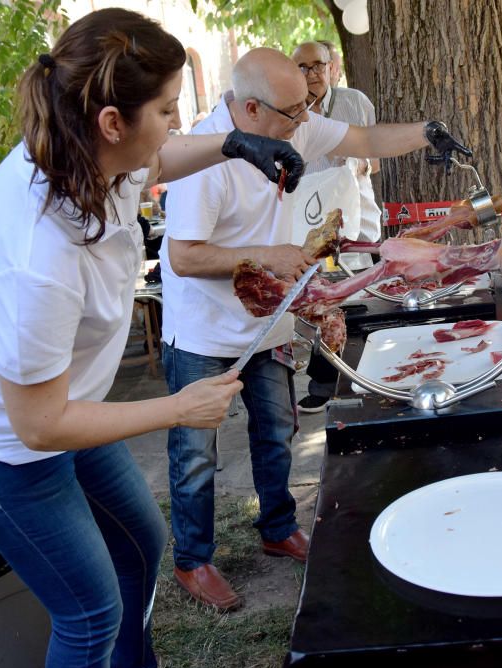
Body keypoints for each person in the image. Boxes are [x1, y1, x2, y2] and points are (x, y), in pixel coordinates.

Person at [0, 9, 304, 668]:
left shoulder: (97, 151)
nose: (179, 124)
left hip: (70, 410)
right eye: (166, 108)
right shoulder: (34, 250)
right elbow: (38, 425)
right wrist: (179, 408)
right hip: (1, 446)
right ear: (111, 122)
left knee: (139, 544)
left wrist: (237, 144)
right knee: (89, 611)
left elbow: (160, 156)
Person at [160, 47, 471, 610]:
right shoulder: (202, 162)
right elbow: (182, 258)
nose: (306, 120)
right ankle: (194, 560)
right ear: (250, 110)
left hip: (267, 316)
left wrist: (428, 132)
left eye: (308, 105)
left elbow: (363, 139)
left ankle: (278, 527)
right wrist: (270, 254)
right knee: (195, 453)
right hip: (204, 332)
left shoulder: (290, 122)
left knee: (276, 430)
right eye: (293, 111)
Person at [291, 40, 379, 413]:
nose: (311, 74)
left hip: (356, 219)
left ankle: (362, 377)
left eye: (317, 66)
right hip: (310, 223)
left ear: (332, 67)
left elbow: (374, 155)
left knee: (360, 298)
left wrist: (357, 164)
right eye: (302, 68)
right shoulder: (288, 110)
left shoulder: (354, 102)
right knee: (319, 301)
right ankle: (324, 383)